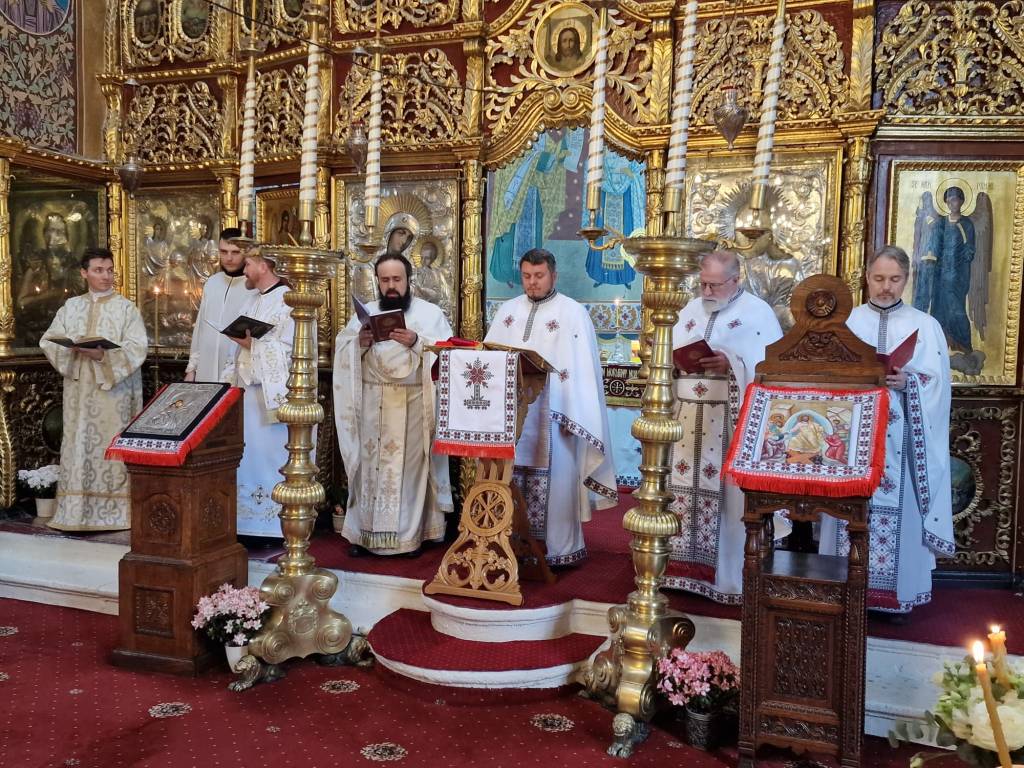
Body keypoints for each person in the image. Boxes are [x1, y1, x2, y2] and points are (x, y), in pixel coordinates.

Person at [820, 245, 954, 614]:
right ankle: (844, 594)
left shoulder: (925, 326)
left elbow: (939, 388)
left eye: (894, 279)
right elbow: (826, 378)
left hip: (902, 440)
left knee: (902, 514)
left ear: (906, 279)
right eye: (879, 278)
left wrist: (910, 382)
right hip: (851, 443)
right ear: (866, 278)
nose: (886, 287)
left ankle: (896, 597)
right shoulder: (846, 324)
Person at [484, 248, 617, 565]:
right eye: (526, 276)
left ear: (553, 276)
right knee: (513, 477)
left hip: (557, 416)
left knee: (557, 484)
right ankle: (512, 545)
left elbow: (583, 372)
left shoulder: (572, 313)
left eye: (539, 276)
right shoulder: (508, 311)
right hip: (512, 416)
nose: (532, 283)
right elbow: (490, 359)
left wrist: (575, 417)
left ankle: (559, 551)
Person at [664, 249, 783, 603]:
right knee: (680, 492)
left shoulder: (757, 314)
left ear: (735, 280)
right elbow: (670, 354)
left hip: (730, 426)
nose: (706, 291)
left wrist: (731, 363)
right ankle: (679, 571)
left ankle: (726, 579)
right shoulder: (689, 310)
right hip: (685, 423)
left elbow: (769, 371)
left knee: (730, 502)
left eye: (714, 285)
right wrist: (671, 360)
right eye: (702, 283)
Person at [333, 252, 453, 556]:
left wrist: (416, 342)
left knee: (408, 473)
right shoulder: (367, 313)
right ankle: (365, 535)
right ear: (377, 281)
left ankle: (408, 538)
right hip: (372, 404)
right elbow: (342, 349)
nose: (391, 286)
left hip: (413, 404)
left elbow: (448, 355)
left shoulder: (430, 314)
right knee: (369, 470)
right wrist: (358, 344)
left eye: (397, 279)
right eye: (384, 280)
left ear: (409, 280)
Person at [39, 248, 147, 531]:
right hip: (79, 392)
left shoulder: (126, 308)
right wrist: (71, 348)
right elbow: (49, 340)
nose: (106, 276)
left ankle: (117, 513)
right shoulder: (71, 307)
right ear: (84, 273)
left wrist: (103, 356)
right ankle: (75, 513)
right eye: (99, 270)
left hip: (114, 395)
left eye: (110, 270)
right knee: (79, 445)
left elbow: (137, 348)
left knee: (112, 449)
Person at [221, 249, 295, 538]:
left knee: (270, 459)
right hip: (246, 394)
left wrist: (253, 346)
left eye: (248, 264)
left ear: (264, 266)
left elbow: (292, 351)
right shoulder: (252, 301)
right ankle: (246, 524)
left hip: (272, 397)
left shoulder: (289, 301)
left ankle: (273, 526)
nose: (243, 270)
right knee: (247, 458)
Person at [185, 228, 258, 383]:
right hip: (206, 363)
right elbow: (200, 328)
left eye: (235, 252)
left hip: (237, 367)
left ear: (246, 252)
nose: (229, 258)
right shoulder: (212, 282)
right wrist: (192, 369)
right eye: (224, 252)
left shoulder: (253, 287)